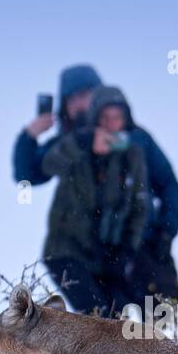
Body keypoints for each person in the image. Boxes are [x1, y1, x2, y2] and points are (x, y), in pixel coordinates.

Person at [13, 65, 178, 303]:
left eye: (86, 94)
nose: (81, 103)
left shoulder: (136, 139)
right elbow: (28, 175)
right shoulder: (69, 144)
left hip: (145, 246)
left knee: (165, 323)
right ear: (64, 106)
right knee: (109, 325)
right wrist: (29, 134)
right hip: (96, 253)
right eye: (72, 98)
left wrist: (167, 231)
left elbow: (168, 184)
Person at [40, 86, 152, 316]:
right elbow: (49, 164)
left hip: (106, 257)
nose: (111, 124)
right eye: (105, 117)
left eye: (117, 117)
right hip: (66, 252)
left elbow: (139, 208)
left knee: (119, 321)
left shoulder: (132, 155)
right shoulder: (76, 145)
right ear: (95, 119)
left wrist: (127, 250)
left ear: (126, 120)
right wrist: (82, 142)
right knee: (97, 317)